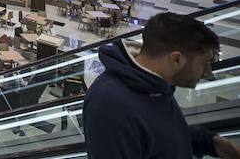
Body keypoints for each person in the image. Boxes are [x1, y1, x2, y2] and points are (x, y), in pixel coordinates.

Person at [83, 12, 239, 158]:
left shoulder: (154, 85)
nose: (208, 73)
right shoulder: (111, 107)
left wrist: (209, 143)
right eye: (204, 63)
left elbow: (159, 134)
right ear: (176, 59)